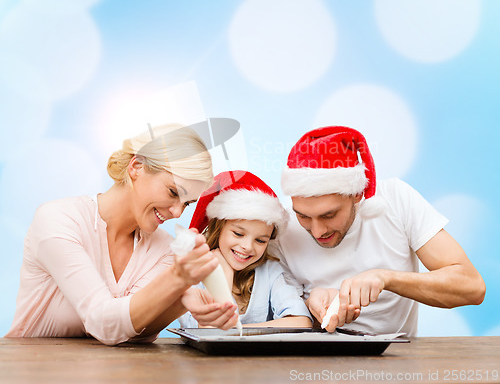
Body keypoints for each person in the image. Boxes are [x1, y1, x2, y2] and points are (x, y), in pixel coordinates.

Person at [6, 123, 239, 345]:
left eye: (187, 203)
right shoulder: (59, 220)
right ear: (137, 166)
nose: (177, 212)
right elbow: (103, 323)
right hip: (33, 368)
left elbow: (132, 333)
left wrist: (180, 301)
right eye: (173, 192)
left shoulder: (163, 249)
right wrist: (177, 281)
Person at [272, 126, 486, 336]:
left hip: (394, 362)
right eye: (303, 216)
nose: (317, 231)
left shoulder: (396, 199)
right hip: (311, 365)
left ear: (357, 193)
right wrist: (311, 307)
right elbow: (275, 316)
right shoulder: (281, 225)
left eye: (329, 215)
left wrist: (386, 279)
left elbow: (471, 287)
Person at [178, 170, 312, 328]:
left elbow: (301, 322)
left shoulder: (270, 272)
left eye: (260, 240)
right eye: (238, 233)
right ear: (218, 228)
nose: (247, 247)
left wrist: (236, 331)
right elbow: (207, 331)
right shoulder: (192, 274)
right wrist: (224, 279)